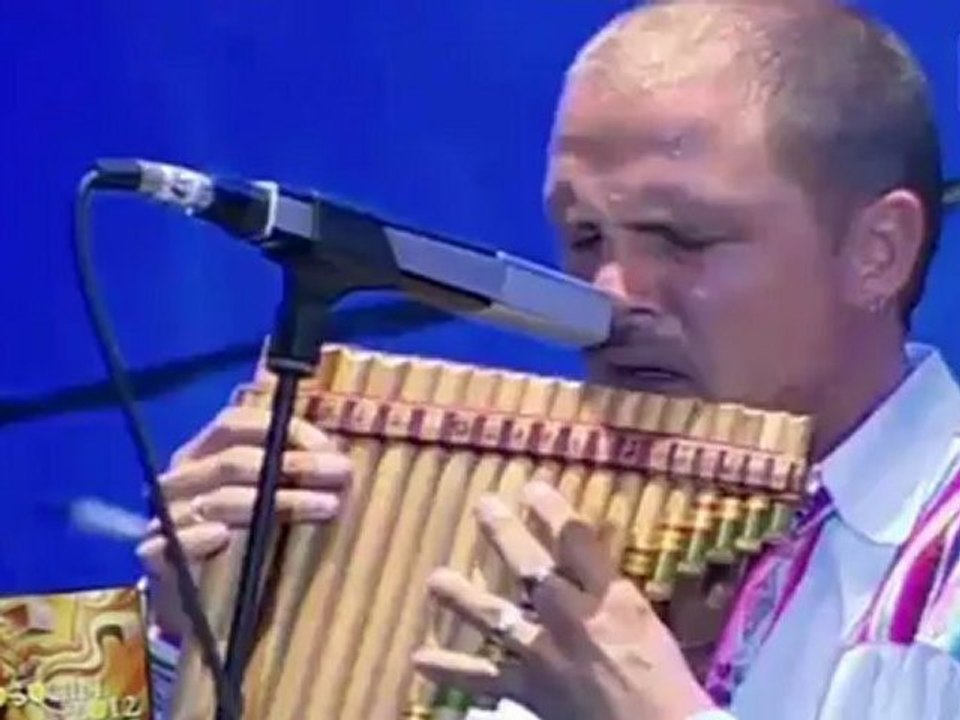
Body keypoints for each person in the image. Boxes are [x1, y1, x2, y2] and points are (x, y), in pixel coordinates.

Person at [138, 2, 960, 719]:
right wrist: (173, 635)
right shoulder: (499, 517)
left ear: (876, 252)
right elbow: (34, 702)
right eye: (584, 238)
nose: (611, 293)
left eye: (683, 239)